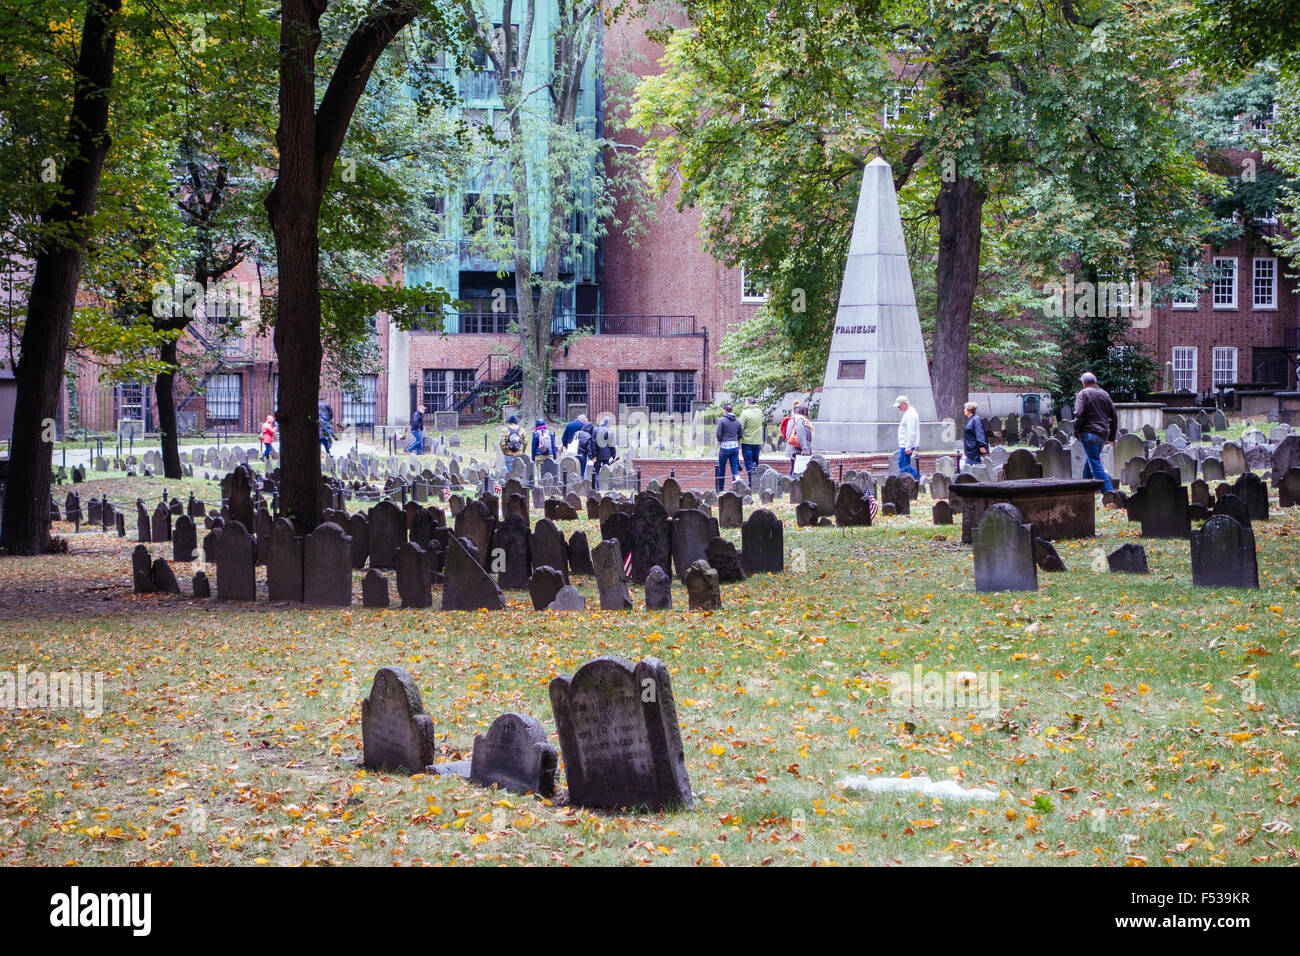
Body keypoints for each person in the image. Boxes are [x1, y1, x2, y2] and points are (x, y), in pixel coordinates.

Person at [1073, 371, 1118, 492]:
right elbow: (1114, 416)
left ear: (1084, 383)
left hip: (1088, 432)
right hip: (1102, 434)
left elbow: (1079, 413)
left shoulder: (1083, 394)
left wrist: (1076, 430)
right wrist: (1112, 437)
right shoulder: (1105, 394)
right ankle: (1084, 489)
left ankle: (1110, 494)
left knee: (1095, 465)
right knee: (1091, 459)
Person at [715, 402, 743, 491]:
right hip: (734, 447)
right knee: (735, 470)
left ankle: (720, 490)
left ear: (725, 410)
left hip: (724, 447)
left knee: (721, 469)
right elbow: (740, 435)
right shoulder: (738, 421)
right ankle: (737, 489)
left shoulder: (721, 420)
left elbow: (718, 434)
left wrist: (720, 441)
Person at [738, 398, 764, 483]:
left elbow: (740, 427)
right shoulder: (759, 412)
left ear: (748, 403)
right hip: (757, 442)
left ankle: (751, 482)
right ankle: (756, 483)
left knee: (749, 463)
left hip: (747, 442)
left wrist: (739, 439)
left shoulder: (744, 413)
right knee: (755, 463)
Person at [588, 415, 616, 491]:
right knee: (605, 471)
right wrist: (613, 456)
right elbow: (612, 445)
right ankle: (605, 487)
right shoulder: (609, 431)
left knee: (596, 471)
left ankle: (597, 487)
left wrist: (593, 455)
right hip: (606, 455)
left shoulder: (595, 430)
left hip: (597, 454)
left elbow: (593, 444)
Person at [894, 395, 920, 479]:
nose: (898, 408)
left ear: (905, 404)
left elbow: (911, 432)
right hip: (905, 444)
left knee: (902, 464)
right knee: (904, 464)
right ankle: (912, 481)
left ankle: (919, 478)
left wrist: (908, 447)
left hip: (906, 445)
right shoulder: (908, 412)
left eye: (899, 406)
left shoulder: (910, 414)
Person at [784, 404, 813, 476]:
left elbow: (788, 434)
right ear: (805, 412)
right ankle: (793, 486)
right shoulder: (801, 420)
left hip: (792, 449)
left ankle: (790, 485)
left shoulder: (792, 420)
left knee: (794, 468)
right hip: (798, 450)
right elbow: (800, 433)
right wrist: (804, 448)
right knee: (798, 471)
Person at [962, 402, 988, 466]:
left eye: (965, 408)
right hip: (970, 451)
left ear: (969, 410)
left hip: (974, 451)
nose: (964, 410)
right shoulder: (971, 420)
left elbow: (979, 433)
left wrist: (982, 446)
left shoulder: (975, 420)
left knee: (974, 470)